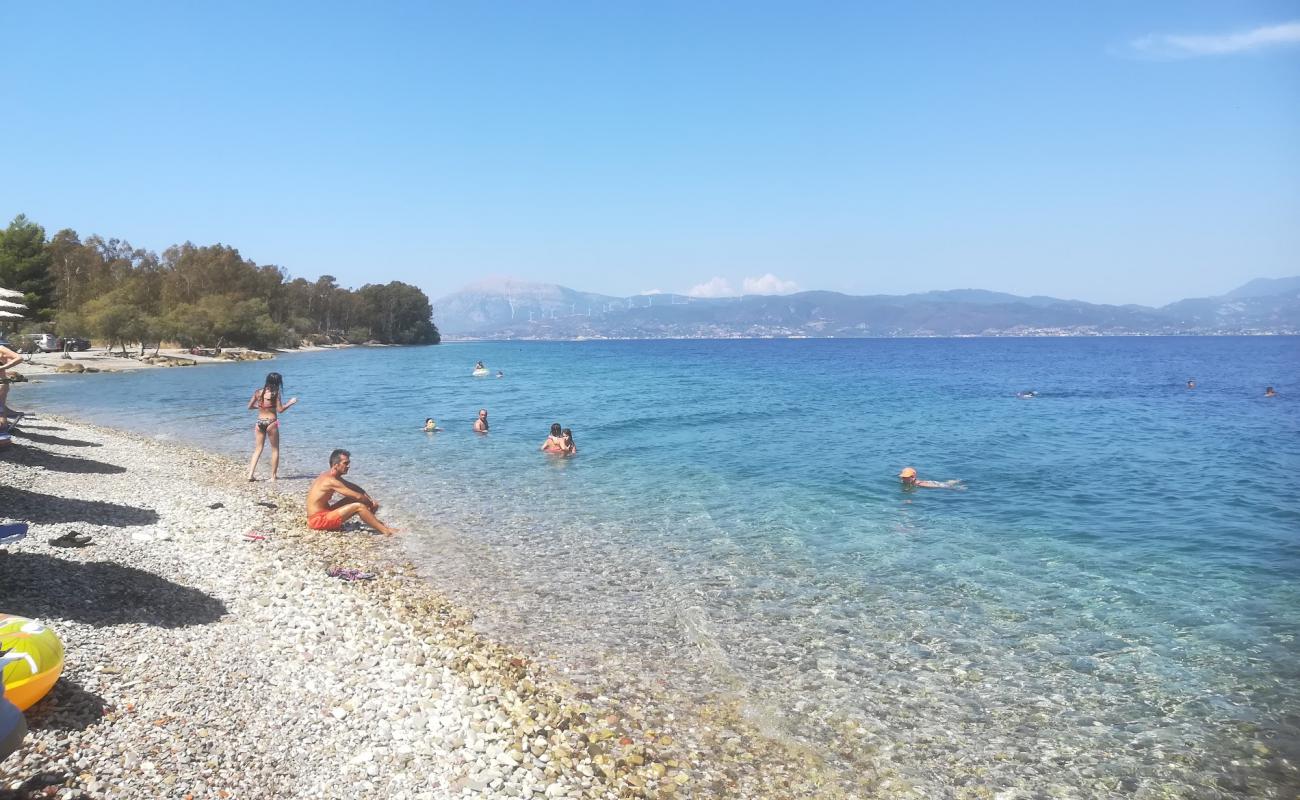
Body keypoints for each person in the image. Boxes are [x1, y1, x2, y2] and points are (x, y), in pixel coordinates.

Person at [306, 449, 398, 535]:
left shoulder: (332, 477)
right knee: (359, 506)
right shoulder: (331, 481)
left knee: (351, 499)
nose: (348, 466)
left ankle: (375, 522)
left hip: (324, 513)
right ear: (336, 465)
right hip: (317, 520)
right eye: (345, 463)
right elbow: (358, 497)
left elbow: (356, 488)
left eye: (349, 463)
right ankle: (386, 531)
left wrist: (369, 499)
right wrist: (371, 504)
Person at [246, 372, 298, 481]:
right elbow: (280, 410)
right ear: (277, 382)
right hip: (272, 423)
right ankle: (273, 476)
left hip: (259, 422)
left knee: (258, 449)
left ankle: (250, 474)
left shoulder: (258, 392)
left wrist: (261, 407)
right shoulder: (276, 394)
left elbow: (249, 406)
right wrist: (291, 402)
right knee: (275, 450)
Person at [0, 343, 23, 429]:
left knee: (0, 413)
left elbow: (19, 358)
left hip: (1, 383)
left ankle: (3, 435)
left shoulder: (1, 348)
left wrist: (3, 367)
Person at [899, 467, 963, 490]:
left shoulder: (919, 484)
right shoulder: (909, 481)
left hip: (935, 485)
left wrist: (954, 489)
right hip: (932, 482)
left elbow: (935, 486)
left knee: (946, 485)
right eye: (902, 477)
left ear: (912, 477)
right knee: (946, 483)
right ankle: (956, 481)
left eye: (905, 477)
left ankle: (959, 486)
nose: (903, 478)